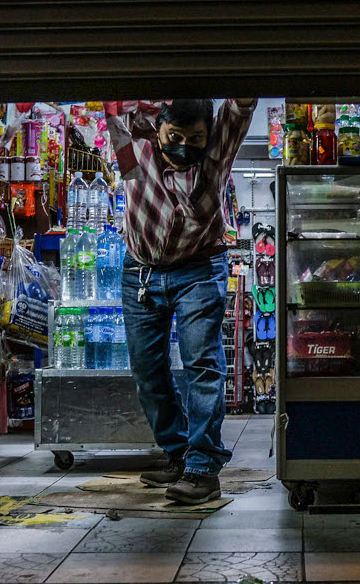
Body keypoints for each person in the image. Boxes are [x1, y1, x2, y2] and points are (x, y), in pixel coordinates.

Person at [108, 99, 257, 504]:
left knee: (202, 365)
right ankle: (177, 453)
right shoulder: (135, 147)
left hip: (200, 269)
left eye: (196, 138)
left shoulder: (216, 155)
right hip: (140, 271)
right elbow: (117, 101)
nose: (184, 146)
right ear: (157, 129)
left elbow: (241, 106)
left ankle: (203, 468)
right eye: (175, 136)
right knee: (147, 369)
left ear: (209, 136)